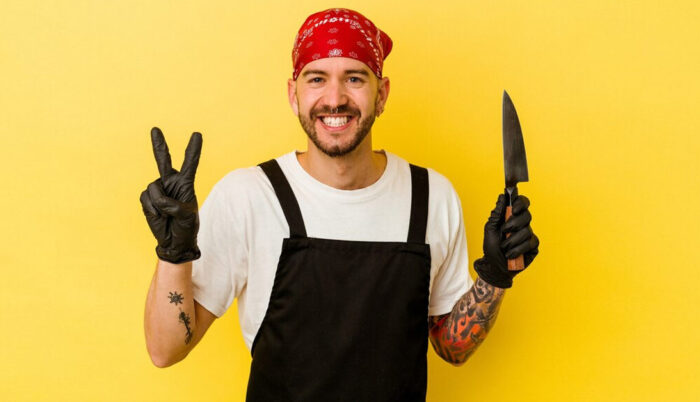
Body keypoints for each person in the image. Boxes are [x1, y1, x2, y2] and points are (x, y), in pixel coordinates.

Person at [141, 7, 539, 401]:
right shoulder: (249, 195)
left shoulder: (432, 196)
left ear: (381, 94)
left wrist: (495, 275)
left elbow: (452, 348)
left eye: (354, 78)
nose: (335, 99)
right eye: (317, 79)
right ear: (293, 95)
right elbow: (165, 350)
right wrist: (174, 254)